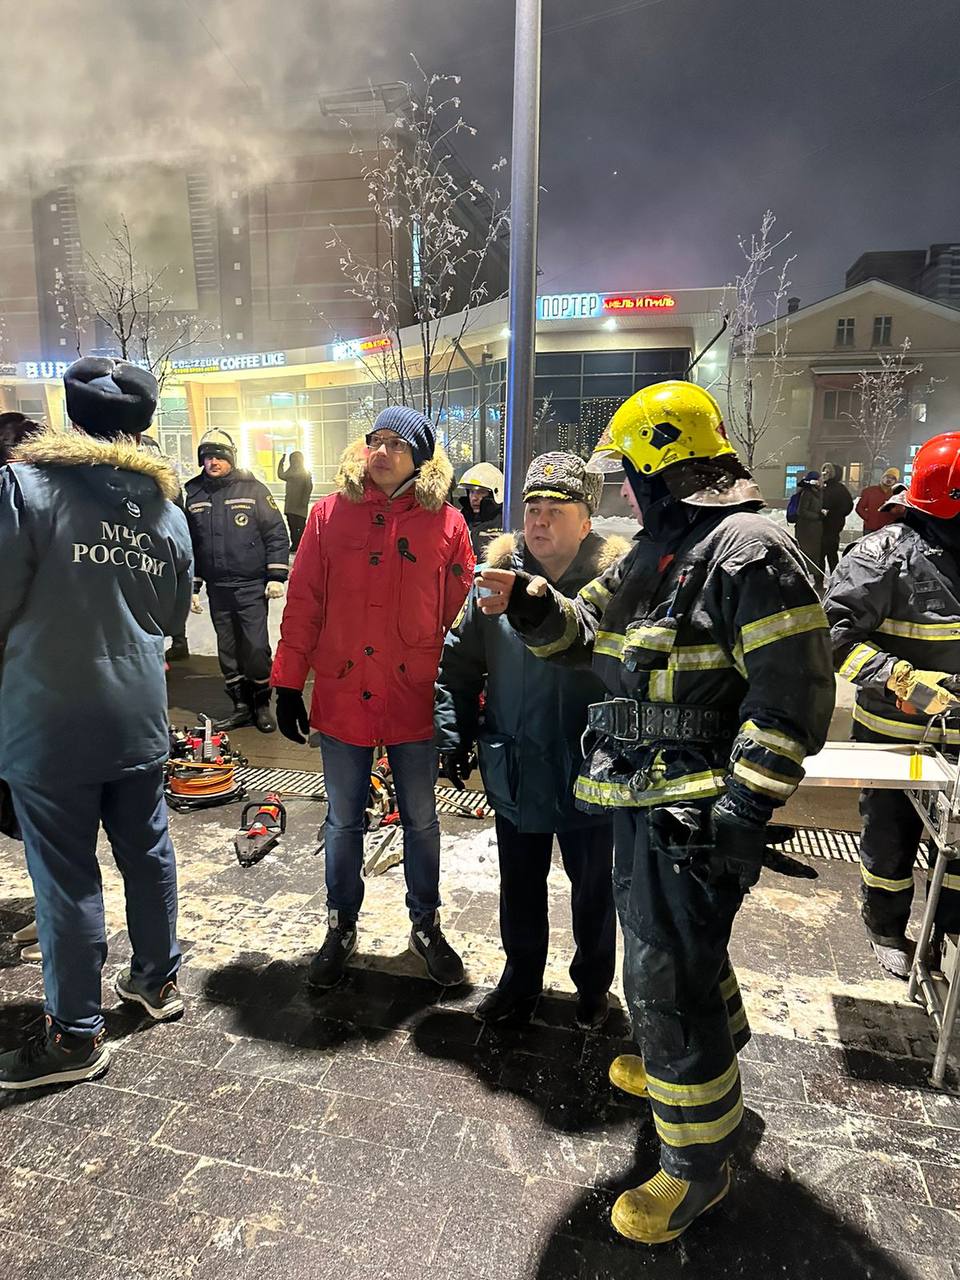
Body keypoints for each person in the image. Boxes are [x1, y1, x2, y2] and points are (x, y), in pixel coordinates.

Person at [477, 380, 834, 1244]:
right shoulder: (659, 552)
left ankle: (695, 1168)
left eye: (631, 475)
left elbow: (790, 698)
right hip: (643, 800)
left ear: (662, 469)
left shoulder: (748, 550)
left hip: (700, 809)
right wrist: (528, 603)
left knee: (664, 976)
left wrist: (747, 807)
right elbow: (583, 638)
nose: (626, 492)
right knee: (678, 956)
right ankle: (709, 1066)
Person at [0, 357, 193, 1089]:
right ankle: (157, 980)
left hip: (48, 718)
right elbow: (172, 617)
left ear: (70, 416)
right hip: (138, 712)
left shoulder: (24, 489)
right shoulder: (165, 509)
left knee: (66, 876)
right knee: (147, 853)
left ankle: (75, 1036)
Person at [272, 406, 475, 990]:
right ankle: (340, 925)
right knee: (341, 822)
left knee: (421, 820)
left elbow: (460, 621)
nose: (380, 452)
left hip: (415, 693)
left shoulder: (447, 523)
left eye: (396, 445)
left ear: (420, 456)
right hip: (342, 690)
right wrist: (288, 681)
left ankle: (427, 925)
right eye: (375, 442)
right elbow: (305, 600)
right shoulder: (328, 515)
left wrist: (461, 699)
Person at [436, 453, 628, 1031]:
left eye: (554, 510)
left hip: (591, 769)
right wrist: (454, 736)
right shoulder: (496, 586)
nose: (539, 522)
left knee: (593, 889)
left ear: (587, 520)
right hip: (516, 761)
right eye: (531, 509)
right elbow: (458, 666)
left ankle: (593, 987)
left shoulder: (614, 591)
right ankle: (521, 978)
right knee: (519, 885)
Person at [823, 433, 960, 978]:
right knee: (889, 838)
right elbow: (831, 637)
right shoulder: (883, 555)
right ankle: (885, 925)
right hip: (894, 734)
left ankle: (947, 934)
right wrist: (898, 678)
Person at [184, 430, 290, 733]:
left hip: (251, 587)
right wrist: (194, 585)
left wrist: (276, 575)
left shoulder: (253, 489)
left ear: (231, 458)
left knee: (255, 649)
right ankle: (241, 706)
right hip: (218, 589)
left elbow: (275, 534)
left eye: (219, 456)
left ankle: (261, 705)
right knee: (228, 650)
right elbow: (193, 545)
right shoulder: (194, 495)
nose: (212, 462)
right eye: (207, 456)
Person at [457, 462, 504, 556]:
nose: (474, 498)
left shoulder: (505, 521)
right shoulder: (460, 519)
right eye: (471, 492)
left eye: (481, 492)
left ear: (495, 493)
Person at [792, 471, 825, 590]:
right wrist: (817, 515)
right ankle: (801, 582)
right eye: (820, 479)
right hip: (805, 530)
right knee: (806, 555)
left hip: (815, 530)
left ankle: (816, 582)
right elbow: (801, 511)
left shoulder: (818, 492)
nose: (822, 481)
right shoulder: (807, 493)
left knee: (814, 556)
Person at [820, 462, 854, 573]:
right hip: (819, 525)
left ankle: (835, 578)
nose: (825, 473)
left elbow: (847, 506)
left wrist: (832, 514)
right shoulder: (821, 487)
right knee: (820, 554)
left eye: (828, 471)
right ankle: (819, 580)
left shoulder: (840, 489)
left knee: (831, 553)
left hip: (833, 525)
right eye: (824, 470)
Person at [278, 449, 313, 554]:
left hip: (300, 505)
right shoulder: (290, 472)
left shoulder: (305, 473)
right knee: (292, 525)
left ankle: (303, 544)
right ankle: (295, 544)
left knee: (300, 526)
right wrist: (281, 462)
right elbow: (281, 475)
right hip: (290, 504)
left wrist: (304, 501)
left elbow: (308, 487)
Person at [856, 466, 901, 535]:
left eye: (893, 478)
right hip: (870, 528)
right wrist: (868, 518)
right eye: (888, 477)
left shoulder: (897, 495)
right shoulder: (869, 491)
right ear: (883, 477)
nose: (889, 479)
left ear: (895, 481)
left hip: (888, 529)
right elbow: (859, 508)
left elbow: (900, 511)